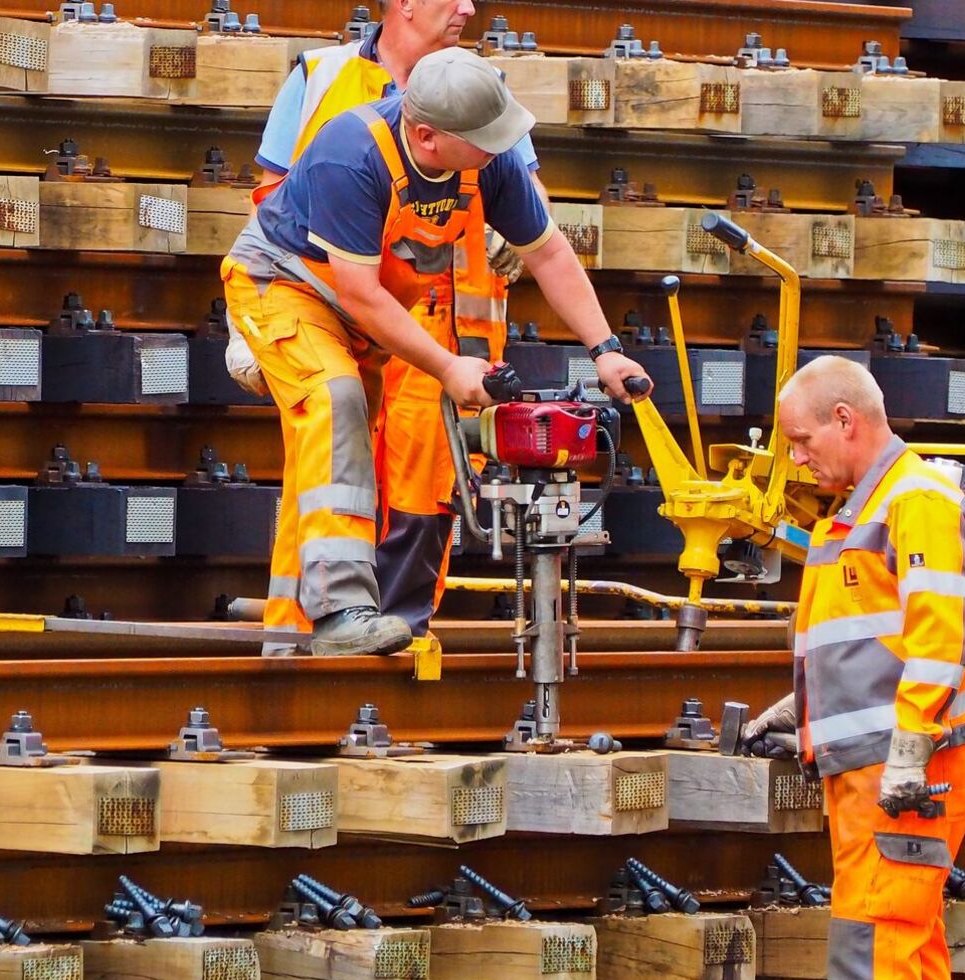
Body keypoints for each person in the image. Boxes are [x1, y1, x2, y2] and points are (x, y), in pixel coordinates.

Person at [223, 49, 650, 655]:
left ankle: (292, 638)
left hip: (354, 311)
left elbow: (548, 252)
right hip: (281, 287)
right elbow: (360, 293)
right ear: (426, 138)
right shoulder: (354, 153)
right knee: (336, 401)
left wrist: (605, 349)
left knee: (328, 458)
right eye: (483, 141)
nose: (497, 151)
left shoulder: (487, 164)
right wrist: (449, 368)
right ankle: (343, 610)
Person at [740, 356, 965, 980]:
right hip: (883, 764)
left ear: (846, 420)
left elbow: (937, 633)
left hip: (902, 770)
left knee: (873, 940)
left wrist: (908, 749)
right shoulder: (871, 507)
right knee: (908, 934)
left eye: (803, 441)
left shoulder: (914, 499)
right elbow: (881, 637)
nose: (798, 458)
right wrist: (805, 704)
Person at [233, 0, 537, 643]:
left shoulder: (484, 98)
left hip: (441, 340)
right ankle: (310, 629)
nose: (468, 7)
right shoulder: (322, 78)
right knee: (331, 460)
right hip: (356, 309)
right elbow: (275, 208)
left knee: (422, 499)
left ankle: (386, 641)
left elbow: (534, 224)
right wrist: (250, 325)